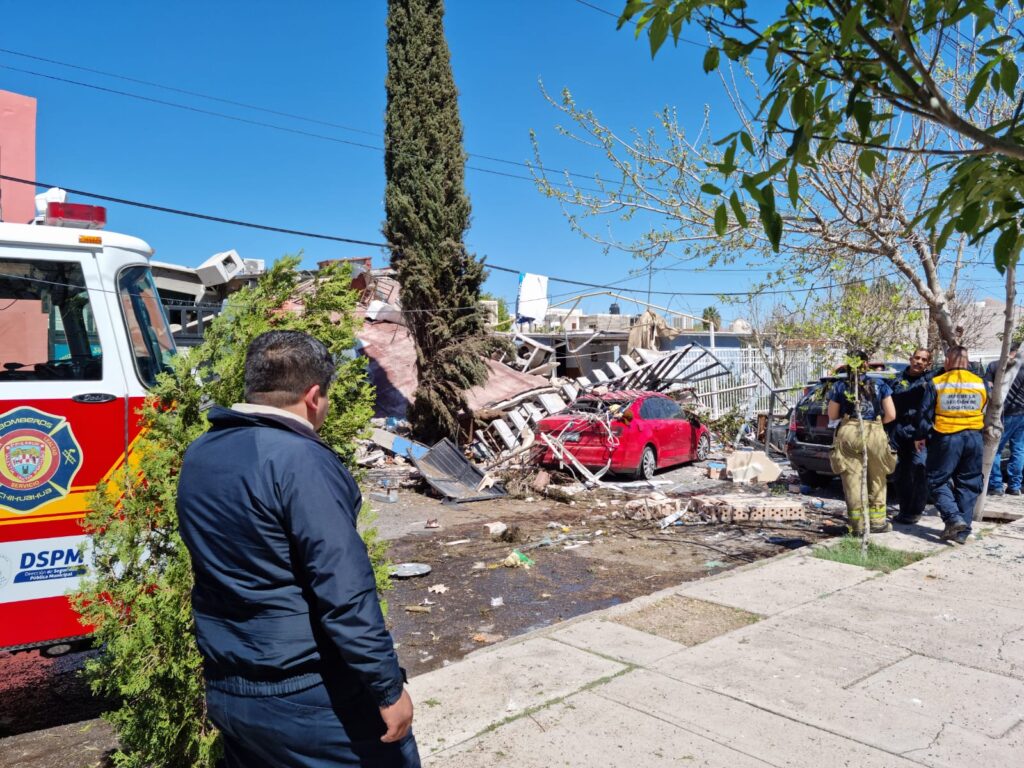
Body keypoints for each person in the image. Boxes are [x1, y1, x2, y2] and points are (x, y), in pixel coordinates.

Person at [177, 331, 420, 768]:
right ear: (313, 396)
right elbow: (344, 590)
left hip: (230, 689)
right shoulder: (300, 460)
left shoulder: (201, 453)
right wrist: (387, 689)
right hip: (307, 698)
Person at [827, 351, 898, 534]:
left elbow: (832, 415)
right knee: (877, 478)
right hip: (874, 431)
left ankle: (857, 526)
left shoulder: (840, 386)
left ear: (848, 364)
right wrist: (876, 425)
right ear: (866, 364)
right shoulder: (880, 384)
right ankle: (877, 523)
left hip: (849, 431)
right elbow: (891, 415)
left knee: (852, 480)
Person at [926, 345, 987, 544]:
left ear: (947, 361)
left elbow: (925, 413)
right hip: (974, 438)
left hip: (947, 437)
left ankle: (953, 518)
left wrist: (920, 436)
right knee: (969, 483)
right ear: (967, 362)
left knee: (937, 480)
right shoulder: (980, 382)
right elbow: (985, 407)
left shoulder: (938, 382)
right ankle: (962, 532)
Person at [888, 348, 935, 524]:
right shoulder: (896, 380)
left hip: (919, 431)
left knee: (919, 469)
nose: (919, 362)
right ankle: (904, 510)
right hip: (898, 429)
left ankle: (915, 511)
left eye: (924, 360)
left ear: (928, 363)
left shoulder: (930, 381)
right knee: (900, 472)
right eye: (917, 358)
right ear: (910, 359)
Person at [983, 342, 1024, 496]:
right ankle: (1014, 486)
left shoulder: (995, 366)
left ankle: (996, 485)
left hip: (1003, 414)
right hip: (1021, 414)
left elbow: (987, 387)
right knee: (1018, 450)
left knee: (995, 449)